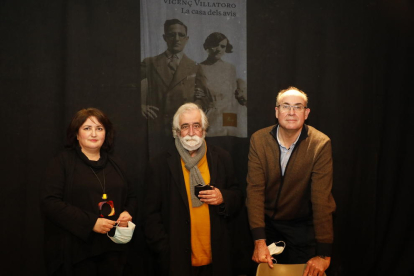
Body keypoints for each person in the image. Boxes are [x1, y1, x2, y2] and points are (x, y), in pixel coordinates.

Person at [144, 103, 243, 276]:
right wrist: (164, 250)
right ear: (177, 132)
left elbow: (237, 195)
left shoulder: (222, 158)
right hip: (177, 261)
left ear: (204, 130)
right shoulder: (159, 164)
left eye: (196, 126)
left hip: (217, 259)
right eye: (185, 126)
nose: (191, 132)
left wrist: (223, 197)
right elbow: (150, 215)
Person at [246, 87, 336, 276]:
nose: (292, 112)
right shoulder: (259, 140)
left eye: (298, 107)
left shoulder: (320, 144)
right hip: (266, 225)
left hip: (302, 228)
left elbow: (321, 200)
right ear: (277, 111)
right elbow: (255, 191)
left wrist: (324, 253)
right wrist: (259, 241)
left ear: (306, 113)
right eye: (286, 106)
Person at [41, 108, 137, 276]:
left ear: (106, 134)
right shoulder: (62, 163)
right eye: (87, 128)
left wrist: (128, 212)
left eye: (99, 128)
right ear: (77, 134)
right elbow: (50, 202)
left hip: (113, 252)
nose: (94, 133)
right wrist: (91, 222)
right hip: (77, 253)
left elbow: (132, 196)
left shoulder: (118, 164)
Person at [141, 19, 207, 156]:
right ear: (165, 37)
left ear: (186, 39)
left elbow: (204, 99)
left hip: (183, 129)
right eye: (172, 35)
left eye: (181, 35)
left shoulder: (195, 67)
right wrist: (140, 105)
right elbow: (130, 88)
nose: (176, 39)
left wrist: (192, 113)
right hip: (157, 128)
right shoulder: (150, 63)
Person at [195, 32, 247, 137]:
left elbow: (234, 94)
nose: (219, 49)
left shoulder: (230, 68)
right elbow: (197, 94)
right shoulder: (199, 68)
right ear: (207, 46)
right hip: (210, 115)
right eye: (215, 45)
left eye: (222, 46)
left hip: (229, 114)